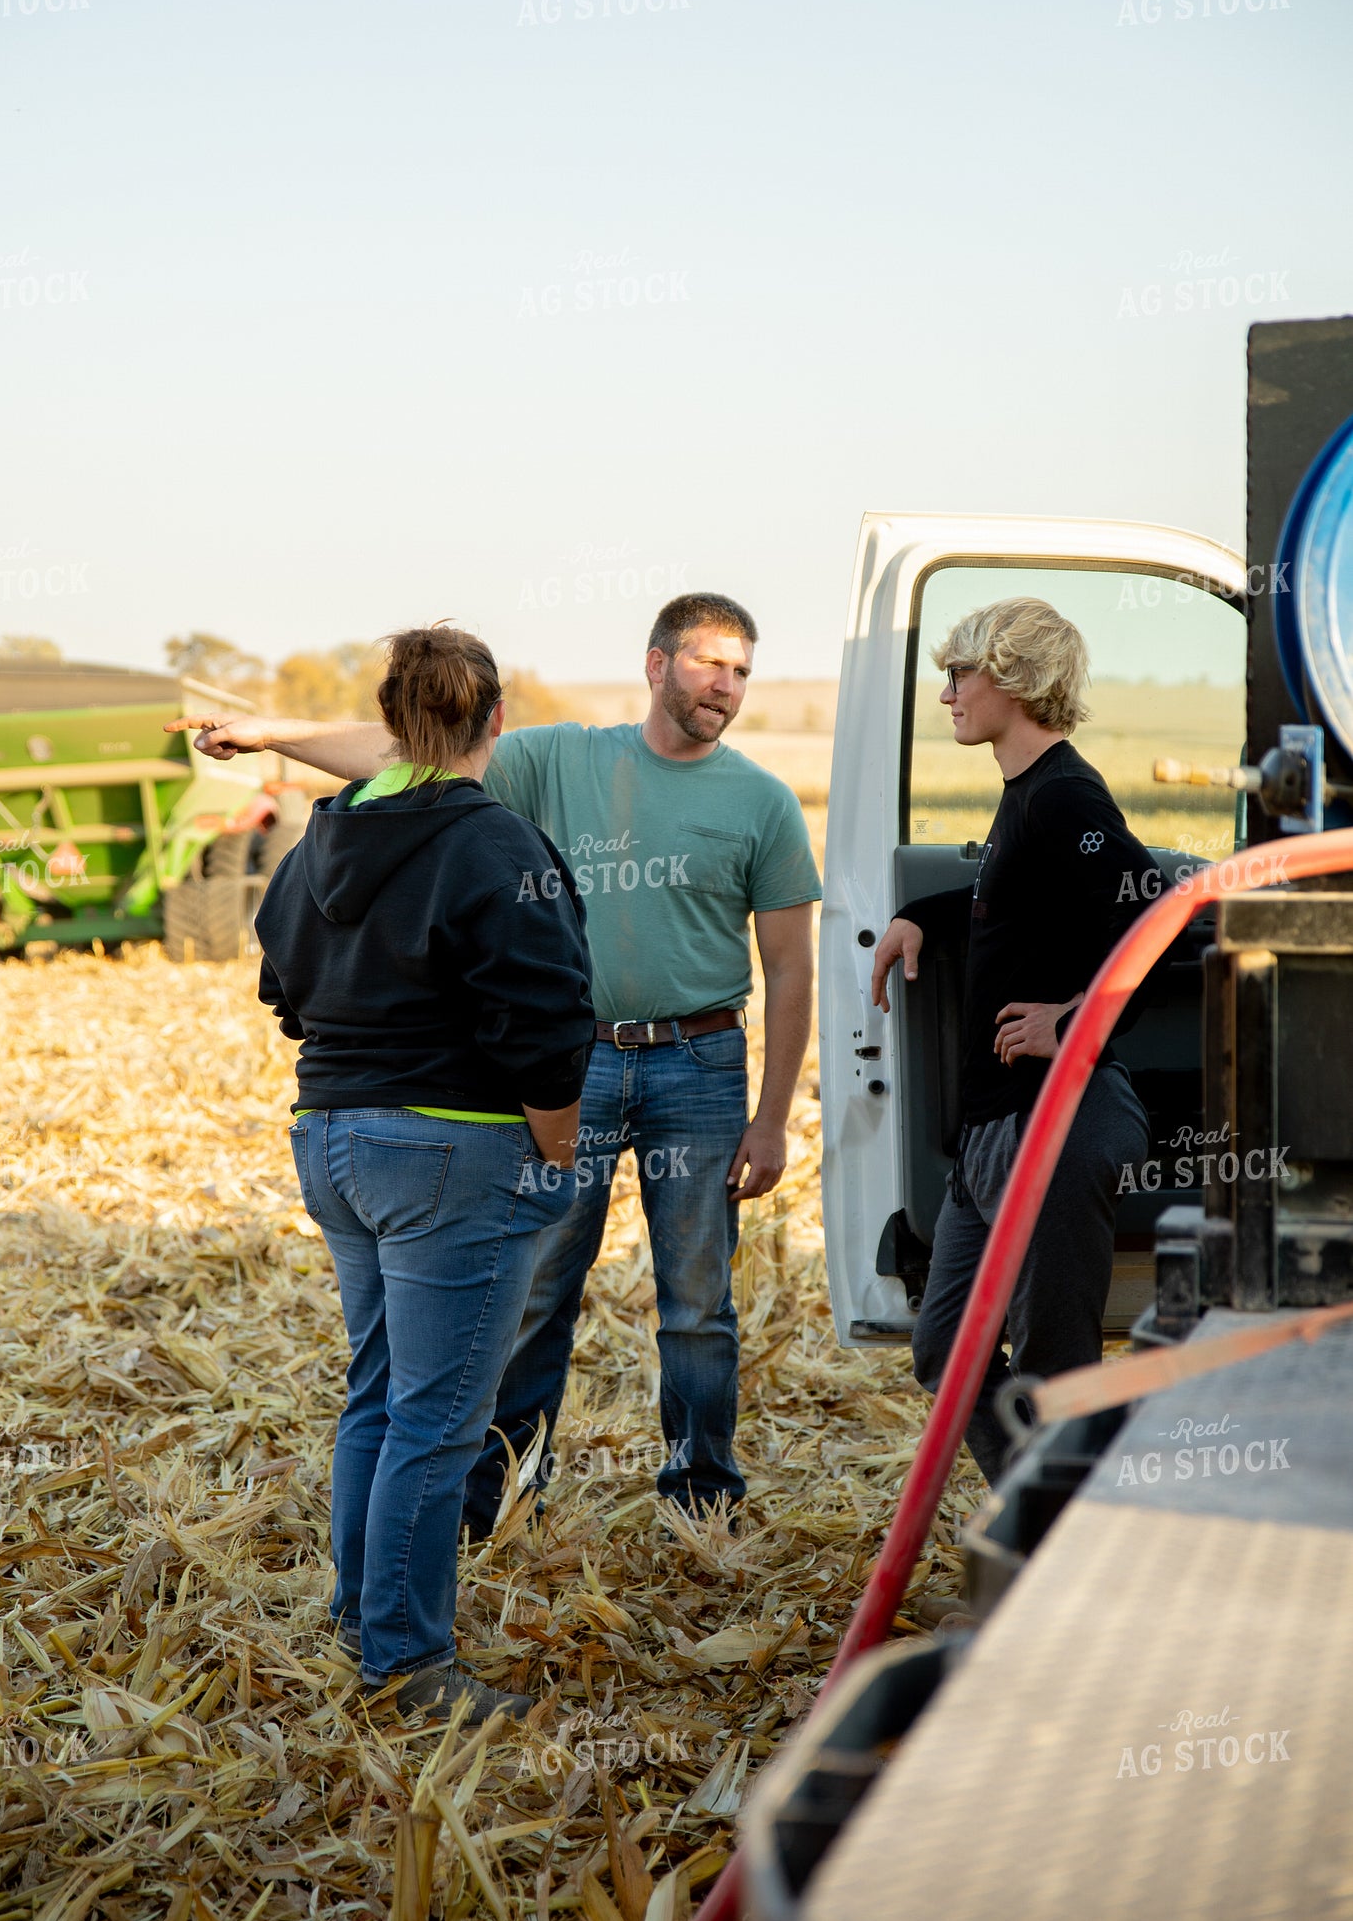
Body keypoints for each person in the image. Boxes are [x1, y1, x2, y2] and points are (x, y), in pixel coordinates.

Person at [191, 591, 821, 1528]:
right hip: (573, 1067)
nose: (724, 685)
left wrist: (771, 1118)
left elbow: (790, 966)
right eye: (707, 664)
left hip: (700, 1066)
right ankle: (499, 1488)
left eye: (740, 670)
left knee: (697, 1301)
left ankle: (702, 1491)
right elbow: (413, 749)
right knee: (533, 1292)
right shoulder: (559, 759)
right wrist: (269, 735)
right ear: (656, 666)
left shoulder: (762, 803)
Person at [251, 625, 594, 1726]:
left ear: (393, 727)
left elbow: (281, 980)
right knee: (441, 1420)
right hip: (453, 1147)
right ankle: (408, 1665)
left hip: (332, 1137)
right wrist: (556, 1141)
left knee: (379, 1394)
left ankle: (366, 1617)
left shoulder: (319, 842)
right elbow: (546, 1018)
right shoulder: (499, 845)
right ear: (495, 722)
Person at [870, 597, 1155, 1484]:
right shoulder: (1026, 794)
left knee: (1053, 1378)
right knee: (945, 1349)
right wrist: (922, 915)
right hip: (996, 1131)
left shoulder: (1066, 793)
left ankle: (1067, 1570)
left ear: (1018, 680)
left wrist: (1072, 1019)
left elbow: (1152, 908)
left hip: (1059, 1127)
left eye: (962, 673)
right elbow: (1012, 897)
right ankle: (1043, 1529)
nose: (948, 693)